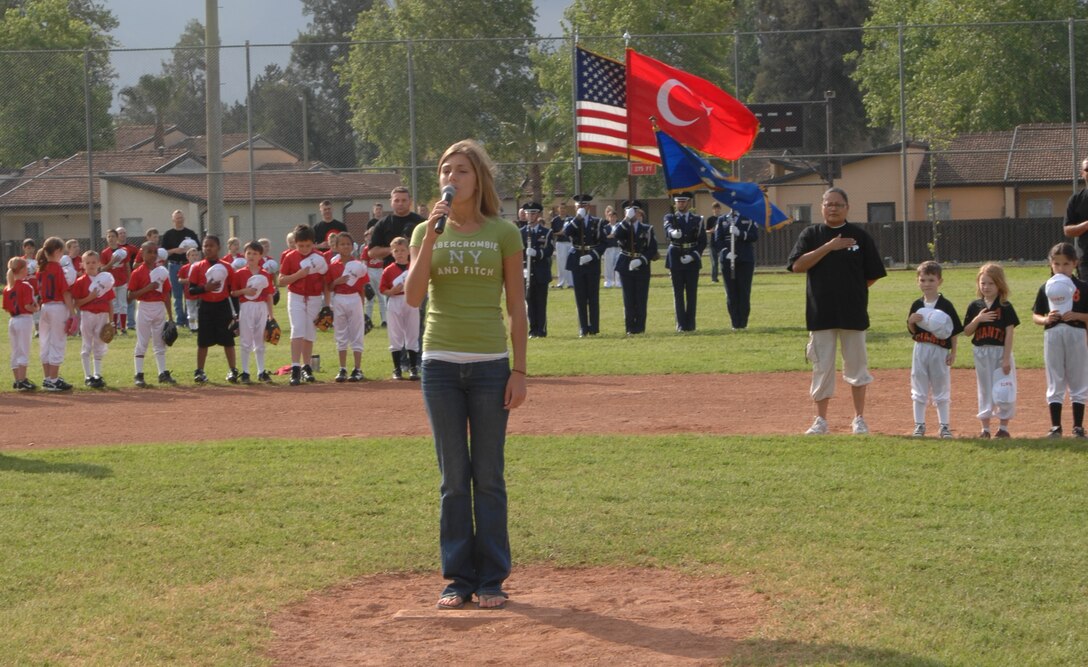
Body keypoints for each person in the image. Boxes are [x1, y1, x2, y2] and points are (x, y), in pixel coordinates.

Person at [406, 139, 527, 610]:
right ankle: (457, 578)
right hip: (439, 365)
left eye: (460, 171)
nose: (450, 178)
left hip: (490, 366)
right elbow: (413, 298)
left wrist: (519, 369)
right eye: (444, 170)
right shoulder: (424, 231)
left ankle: (493, 578)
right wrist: (431, 236)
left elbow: (517, 308)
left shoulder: (502, 233)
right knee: (454, 478)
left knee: (489, 476)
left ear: (478, 179)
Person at [787, 187, 886, 436]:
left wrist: (851, 291)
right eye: (828, 203)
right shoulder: (811, 234)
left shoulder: (859, 237)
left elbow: (872, 274)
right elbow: (798, 266)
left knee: (857, 368)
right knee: (822, 367)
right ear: (821, 207)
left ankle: (859, 419)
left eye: (838, 204)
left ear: (847, 207)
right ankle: (820, 421)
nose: (833, 208)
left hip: (853, 314)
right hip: (821, 314)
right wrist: (829, 247)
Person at [1031, 242, 1088, 438]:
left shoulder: (1082, 286)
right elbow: (1036, 315)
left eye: (1066, 264)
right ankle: (1055, 426)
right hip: (1053, 333)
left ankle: (1078, 426)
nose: (1061, 268)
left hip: (1077, 334)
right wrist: (1046, 319)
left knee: (1078, 378)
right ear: (1050, 264)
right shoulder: (1046, 287)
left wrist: (1078, 316)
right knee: (1055, 378)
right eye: (1057, 264)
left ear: (1075, 263)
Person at [906, 261, 963, 438]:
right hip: (921, 348)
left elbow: (953, 331)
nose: (927, 284)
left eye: (931, 280)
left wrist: (953, 353)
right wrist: (911, 321)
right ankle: (919, 425)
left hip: (939, 350)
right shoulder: (916, 304)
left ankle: (944, 426)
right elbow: (913, 331)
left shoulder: (945, 305)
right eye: (923, 280)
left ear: (940, 281)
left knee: (941, 386)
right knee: (919, 385)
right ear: (918, 282)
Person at [963, 263, 1019, 439]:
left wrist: (1006, 358)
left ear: (999, 285)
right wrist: (978, 319)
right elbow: (967, 331)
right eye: (983, 283)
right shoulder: (975, 306)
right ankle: (985, 429)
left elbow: (1009, 333)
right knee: (985, 388)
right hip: (981, 352)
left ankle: (1003, 428)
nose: (986, 287)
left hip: (1000, 351)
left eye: (991, 283)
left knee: (1004, 389)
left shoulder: (1005, 306)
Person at [278, 224, 328, 386]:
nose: (305, 249)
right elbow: (281, 280)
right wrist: (298, 275)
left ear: (313, 243)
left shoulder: (319, 258)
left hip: (314, 297)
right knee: (297, 328)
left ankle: (306, 366)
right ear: (295, 243)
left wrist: (327, 304)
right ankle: (295, 367)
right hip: (296, 296)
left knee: (309, 331)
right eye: (301, 246)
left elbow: (326, 281)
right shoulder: (290, 257)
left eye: (308, 245)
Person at [187, 235, 238, 384]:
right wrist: (205, 288)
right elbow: (191, 290)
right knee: (203, 341)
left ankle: (233, 369)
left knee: (228, 340)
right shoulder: (197, 267)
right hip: (206, 306)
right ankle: (200, 371)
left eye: (211, 245)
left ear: (219, 247)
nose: (208, 248)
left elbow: (232, 292)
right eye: (205, 246)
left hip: (223, 306)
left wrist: (237, 314)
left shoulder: (227, 267)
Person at [128, 241, 176, 387]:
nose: (153, 255)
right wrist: (147, 288)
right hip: (144, 307)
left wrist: (171, 317)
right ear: (142, 253)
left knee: (160, 342)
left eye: (155, 252)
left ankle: (162, 373)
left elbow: (167, 294)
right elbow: (130, 296)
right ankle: (139, 374)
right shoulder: (137, 272)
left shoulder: (161, 271)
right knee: (142, 342)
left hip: (159, 308)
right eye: (149, 251)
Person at [229, 241, 276, 383]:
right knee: (245, 340)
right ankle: (245, 372)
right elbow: (233, 292)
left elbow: (268, 295)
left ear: (261, 256)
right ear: (244, 254)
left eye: (255, 253)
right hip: (246, 306)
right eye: (248, 253)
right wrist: (245, 291)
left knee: (259, 339)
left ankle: (261, 371)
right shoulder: (240, 273)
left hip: (261, 306)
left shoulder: (265, 274)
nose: (251, 256)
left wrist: (271, 315)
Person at [562, 195, 608, 337]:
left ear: (588, 207)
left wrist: (593, 255)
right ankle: (583, 327)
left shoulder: (598, 222)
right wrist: (577, 218)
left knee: (593, 296)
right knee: (580, 296)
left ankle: (594, 327)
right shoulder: (571, 221)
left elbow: (603, 243)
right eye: (577, 207)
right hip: (577, 261)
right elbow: (567, 233)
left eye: (582, 207)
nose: (580, 209)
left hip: (592, 260)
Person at [35, 237, 77, 391]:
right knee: (57, 343)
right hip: (58, 308)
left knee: (45, 343)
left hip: (45, 307)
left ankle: (47, 378)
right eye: (62, 251)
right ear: (58, 251)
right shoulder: (57, 268)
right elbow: (65, 293)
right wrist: (73, 314)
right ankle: (53, 380)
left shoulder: (41, 269)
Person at [326, 232, 368, 382]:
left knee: (357, 333)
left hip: (354, 298)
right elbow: (329, 287)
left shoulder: (358, 265)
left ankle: (357, 369)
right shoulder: (333, 266)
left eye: (348, 244)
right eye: (342, 244)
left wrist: (362, 304)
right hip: (339, 298)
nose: (345, 246)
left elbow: (363, 287)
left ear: (352, 246)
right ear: (336, 247)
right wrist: (337, 281)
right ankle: (342, 368)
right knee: (341, 333)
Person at [613, 200, 658, 335]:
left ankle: (640, 328)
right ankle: (630, 328)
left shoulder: (647, 229)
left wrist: (642, 260)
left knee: (641, 298)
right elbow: (617, 234)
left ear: (639, 213)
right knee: (628, 298)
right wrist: (626, 219)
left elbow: (652, 249)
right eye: (628, 211)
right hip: (625, 264)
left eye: (634, 211)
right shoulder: (623, 227)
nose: (632, 214)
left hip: (642, 266)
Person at [663, 192, 706, 332]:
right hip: (676, 256)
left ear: (688, 203)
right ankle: (681, 324)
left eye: (683, 202)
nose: (681, 204)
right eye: (678, 202)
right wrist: (672, 233)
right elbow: (667, 228)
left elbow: (702, 241)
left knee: (692, 293)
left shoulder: (697, 219)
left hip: (692, 258)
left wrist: (694, 255)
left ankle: (691, 324)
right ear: (675, 203)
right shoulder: (670, 217)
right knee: (678, 293)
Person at [712, 205, 760, 330]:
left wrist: (740, 233)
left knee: (744, 291)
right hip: (728, 260)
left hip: (744, 260)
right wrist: (726, 252)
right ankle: (734, 322)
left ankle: (743, 323)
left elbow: (754, 236)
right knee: (731, 292)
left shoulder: (750, 218)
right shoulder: (722, 219)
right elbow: (717, 240)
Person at [71, 251, 114, 388]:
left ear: (99, 263)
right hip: (87, 314)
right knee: (87, 345)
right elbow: (76, 304)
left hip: (102, 315)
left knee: (99, 343)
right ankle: (87, 375)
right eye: (87, 262)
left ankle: (97, 374)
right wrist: (90, 298)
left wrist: (111, 321)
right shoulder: (80, 282)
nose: (91, 265)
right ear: (82, 265)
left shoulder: (105, 279)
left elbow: (110, 302)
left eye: (94, 262)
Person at [381, 237, 420, 380]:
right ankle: (397, 368)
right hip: (395, 300)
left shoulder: (414, 267)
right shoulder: (388, 270)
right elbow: (383, 289)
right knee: (395, 334)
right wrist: (391, 291)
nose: (400, 253)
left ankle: (413, 368)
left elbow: (421, 284)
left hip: (410, 300)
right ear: (392, 253)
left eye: (403, 250)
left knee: (412, 332)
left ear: (409, 251)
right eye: (396, 251)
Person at [161, 210, 201, 327]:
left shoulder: (191, 233)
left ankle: (190, 320)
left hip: (189, 266)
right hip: (174, 265)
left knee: (189, 293)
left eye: (181, 218)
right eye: (177, 218)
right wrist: (175, 250)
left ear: (184, 219)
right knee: (177, 294)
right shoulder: (168, 234)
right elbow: (163, 252)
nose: (179, 220)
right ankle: (180, 320)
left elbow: (198, 248)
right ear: (173, 220)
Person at [4, 257, 39, 391]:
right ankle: (23, 380)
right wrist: (36, 308)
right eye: (26, 268)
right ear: (22, 270)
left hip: (13, 320)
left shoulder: (8, 287)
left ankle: (17, 380)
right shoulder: (26, 285)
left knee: (15, 350)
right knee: (23, 349)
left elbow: (7, 308)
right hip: (24, 319)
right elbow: (28, 306)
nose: (27, 271)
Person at [370, 186, 425, 267]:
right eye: (396, 200)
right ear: (391, 202)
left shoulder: (421, 222)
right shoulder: (383, 224)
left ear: (410, 201)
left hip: (417, 269)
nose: (400, 203)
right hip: (392, 273)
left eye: (404, 200)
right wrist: (395, 249)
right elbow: (372, 252)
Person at [521, 201, 553, 338]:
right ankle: (532, 329)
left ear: (538, 214)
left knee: (540, 302)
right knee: (529, 301)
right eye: (528, 213)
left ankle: (541, 329)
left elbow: (549, 250)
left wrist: (536, 253)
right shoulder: (520, 232)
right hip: (526, 272)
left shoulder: (546, 232)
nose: (530, 216)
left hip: (540, 272)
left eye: (533, 213)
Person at [101, 229, 131, 333]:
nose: (111, 239)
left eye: (113, 236)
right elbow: (102, 269)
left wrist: (129, 280)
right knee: (113, 305)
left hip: (122, 280)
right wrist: (112, 262)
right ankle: (114, 328)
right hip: (111, 282)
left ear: (117, 238)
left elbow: (127, 266)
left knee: (123, 304)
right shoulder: (105, 253)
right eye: (109, 237)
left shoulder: (123, 251)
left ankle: (123, 327)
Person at [362, 228, 387, 327]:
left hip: (380, 270)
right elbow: (364, 263)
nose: (372, 236)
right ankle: (368, 319)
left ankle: (384, 320)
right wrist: (365, 276)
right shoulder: (367, 248)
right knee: (369, 297)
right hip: (370, 270)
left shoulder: (382, 247)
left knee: (382, 296)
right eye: (370, 235)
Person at [178, 247, 202, 332]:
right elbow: (180, 279)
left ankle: (201, 327)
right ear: (188, 257)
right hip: (190, 294)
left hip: (200, 293)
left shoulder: (201, 266)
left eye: (196, 255)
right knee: (191, 311)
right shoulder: (184, 268)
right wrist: (188, 280)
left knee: (200, 311)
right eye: (192, 255)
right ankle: (193, 327)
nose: (195, 257)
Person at [551, 203, 573, 289]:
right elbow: (552, 233)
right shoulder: (555, 220)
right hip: (560, 243)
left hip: (569, 242)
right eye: (561, 208)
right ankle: (561, 282)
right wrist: (559, 233)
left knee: (570, 262)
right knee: (561, 263)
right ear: (558, 209)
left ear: (566, 209)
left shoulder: (570, 219)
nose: (562, 210)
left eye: (564, 208)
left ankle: (571, 283)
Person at [601, 205, 621, 288]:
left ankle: (618, 281)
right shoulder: (605, 227)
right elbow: (604, 237)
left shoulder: (619, 226)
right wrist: (610, 236)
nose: (612, 218)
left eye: (614, 217)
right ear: (608, 218)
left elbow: (620, 236)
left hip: (618, 248)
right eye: (610, 217)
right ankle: (608, 281)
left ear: (616, 218)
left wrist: (614, 235)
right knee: (608, 266)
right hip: (608, 249)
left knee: (618, 265)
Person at [706, 202, 722, 283]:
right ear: (713, 210)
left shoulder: (723, 218)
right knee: (714, 262)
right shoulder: (710, 219)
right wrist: (711, 231)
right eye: (715, 208)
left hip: (721, 243)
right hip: (712, 243)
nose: (717, 210)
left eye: (718, 208)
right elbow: (706, 231)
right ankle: (714, 278)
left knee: (723, 261)